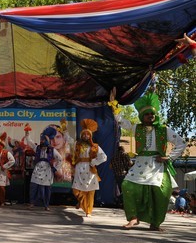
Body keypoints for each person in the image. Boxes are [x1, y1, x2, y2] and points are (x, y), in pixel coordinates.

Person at [111, 92, 186, 231]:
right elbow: (122, 121)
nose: (150, 116)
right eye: (147, 114)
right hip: (140, 164)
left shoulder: (164, 129)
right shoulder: (137, 128)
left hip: (157, 165)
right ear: (141, 116)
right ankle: (133, 218)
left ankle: (155, 223)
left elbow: (181, 143)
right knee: (127, 186)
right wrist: (114, 106)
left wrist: (168, 157)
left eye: (152, 114)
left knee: (161, 192)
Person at [71, 119, 107, 217]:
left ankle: (88, 211)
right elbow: (69, 141)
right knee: (76, 189)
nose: (86, 136)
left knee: (90, 191)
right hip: (79, 169)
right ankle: (81, 201)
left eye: (88, 135)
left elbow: (104, 157)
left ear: (90, 136)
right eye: (84, 134)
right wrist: (65, 130)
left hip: (90, 169)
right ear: (81, 135)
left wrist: (94, 162)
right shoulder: (76, 144)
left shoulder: (95, 146)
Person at [24, 125, 63, 211]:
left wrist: (55, 169)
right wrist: (27, 134)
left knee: (46, 188)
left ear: (47, 141)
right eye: (41, 139)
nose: (42, 141)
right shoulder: (37, 148)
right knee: (33, 186)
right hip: (37, 170)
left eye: (43, 140)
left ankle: (46, 205)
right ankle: (32, 203)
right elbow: (29, 142)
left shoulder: (52, 150)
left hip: (47, 171)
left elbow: (60, 159)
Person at [49, 118, 74, 183]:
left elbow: (68, 138)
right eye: (51, 138)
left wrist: (64, 128)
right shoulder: (45, 156)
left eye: (58, 137)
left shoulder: (69, 151)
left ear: (63, 138)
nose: (55, 141)